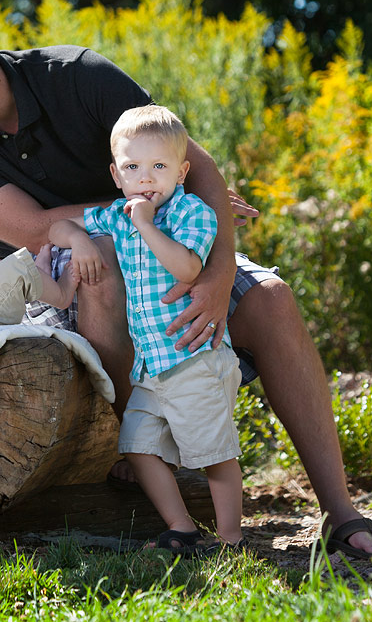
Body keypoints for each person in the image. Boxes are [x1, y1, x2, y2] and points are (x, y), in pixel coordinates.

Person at [0, 0, 372, 558]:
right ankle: (149, 469)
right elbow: (39, 229)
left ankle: (341, 512)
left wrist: (219, 272)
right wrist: (142, 209)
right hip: (56, 277)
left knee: (272, 300)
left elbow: (195, 165)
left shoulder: (79, 78)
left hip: (161, 243)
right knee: (100, 258)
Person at [50, 106, 245, 554]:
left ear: (182, 171)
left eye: (159, 167)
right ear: (117, 175)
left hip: (194, 358)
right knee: (136, 446)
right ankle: (182, 527)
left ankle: (232, 539)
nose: (147, 178)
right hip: (152, 365)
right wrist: (79, 240)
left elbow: (189, 267)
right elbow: (58, 226)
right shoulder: (117, 214)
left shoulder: (192, 213)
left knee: (214, 453)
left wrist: (145, 225)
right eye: (134, 168)